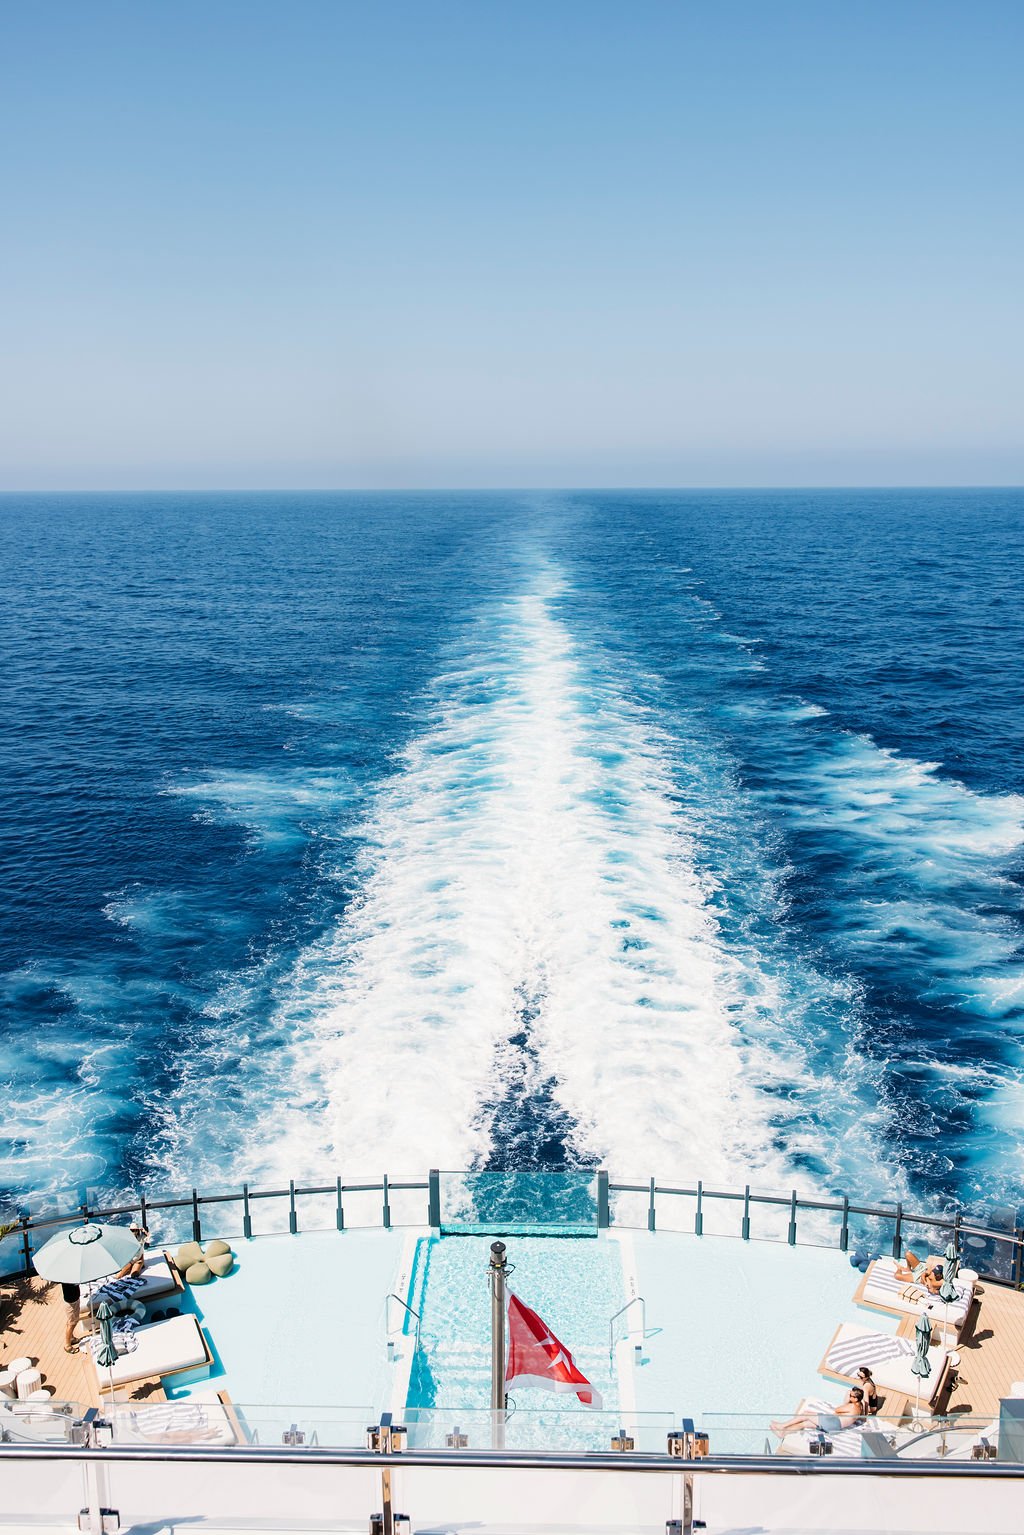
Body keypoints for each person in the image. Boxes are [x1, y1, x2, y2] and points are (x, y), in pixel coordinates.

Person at [771, 1387, 865, 1439]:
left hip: (833, 1422)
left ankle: (782, 1426)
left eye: (851, 1395)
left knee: (806, 1414)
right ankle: (783, 1434)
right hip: (834, 1428)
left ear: (856, 1399)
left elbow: (837, 1410)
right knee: (805, 1423)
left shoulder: (852, 1406)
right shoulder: (860, 1406)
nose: (850, 1396)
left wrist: (846, 1398)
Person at [62, 1281, 81, 1353]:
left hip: (72, 1301)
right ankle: (68, 1346)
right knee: (72, 1323)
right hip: (72, 1303)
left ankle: (71, 1338)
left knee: (70, 1321)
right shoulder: (69, 1279)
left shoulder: (67, 1278)